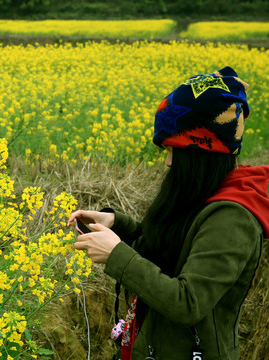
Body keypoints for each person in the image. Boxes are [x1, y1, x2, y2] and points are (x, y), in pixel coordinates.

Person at [68, 66, 269, 360]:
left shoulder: (232, 216)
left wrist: (117, 255)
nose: (168, 163)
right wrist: (118, 224)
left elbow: (187, 302)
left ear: (200, 152)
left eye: (173, 150)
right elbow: (178, 248)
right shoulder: (205, 193)